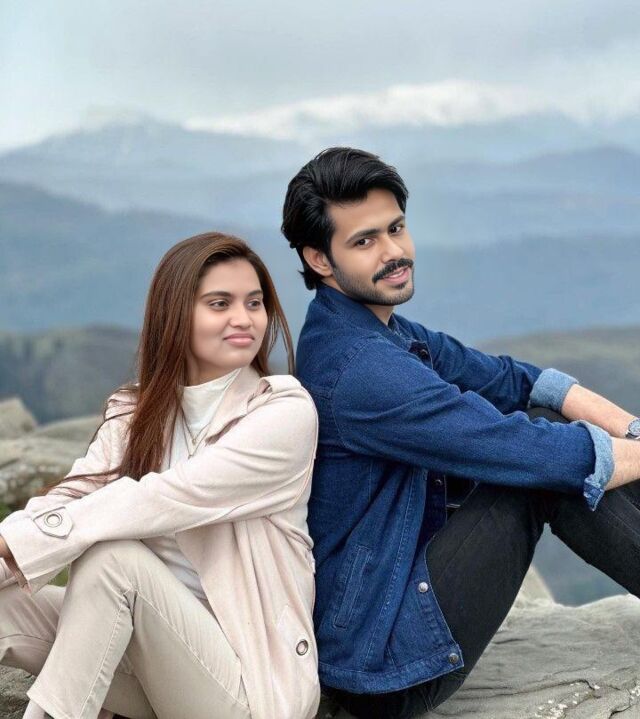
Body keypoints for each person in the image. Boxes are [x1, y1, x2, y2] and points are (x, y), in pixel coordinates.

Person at [281, 147, 640, 719]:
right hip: (384, 666)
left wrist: (631, 429)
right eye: (365, 241)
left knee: (556, 438)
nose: (394, 252)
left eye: (396, 228)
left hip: (391, 605)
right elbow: (530, 454)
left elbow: (511, 379)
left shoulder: (377, 329)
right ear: (319, 259)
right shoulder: (361, 369)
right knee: (541, 468)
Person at [0, 232, 320, 719]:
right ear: (175, 314)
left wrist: (18, 541)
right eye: (220, 303)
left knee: (113, 559)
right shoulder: (137, 411)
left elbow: (164, 498)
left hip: (245, 688)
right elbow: (73, 495)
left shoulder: (283, 414)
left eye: (254, 303)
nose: (244, 318)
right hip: (150, 664)